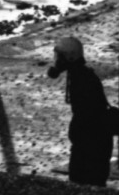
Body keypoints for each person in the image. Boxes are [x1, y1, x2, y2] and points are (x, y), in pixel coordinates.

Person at [49, 36, 114, 186]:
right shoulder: (82, 75)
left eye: (60, 57)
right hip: (95, 141)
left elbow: (86, 116)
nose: (57, 61)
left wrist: (77, 134)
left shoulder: (80, 79)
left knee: (82, 182)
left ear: (69, 58)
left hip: (91, 144)